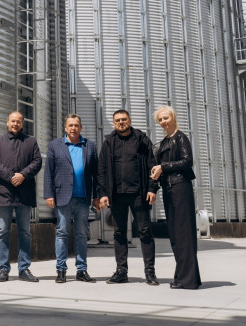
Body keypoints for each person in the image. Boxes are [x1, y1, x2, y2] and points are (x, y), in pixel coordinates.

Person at [98, 109, 160, 285]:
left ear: (130, 121)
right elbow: (102, 170)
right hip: (116, 195)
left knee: (145, 232)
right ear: (114, 123)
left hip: (139, 194)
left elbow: (152, 166)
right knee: (119, 233)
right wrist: (103, 193)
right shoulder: (109, 142)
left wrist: (152, 188)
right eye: (117, 120)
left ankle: (150, 272)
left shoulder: (142, 140)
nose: (121, 122)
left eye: (124, 119)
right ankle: (121, 272)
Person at [150, 105, 202, 289]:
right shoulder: (163, 142)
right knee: (175, 234)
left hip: (181, 188)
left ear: (173, 117)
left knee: (184, 233)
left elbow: (188, 161)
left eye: (166, 118)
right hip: (168, 189)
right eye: (160, 120)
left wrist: (163, 167)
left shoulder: (181, 137)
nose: (163, 122)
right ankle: (184, 276)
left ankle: (187, 279)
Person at [0, 111, 43, 282]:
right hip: (4, 192)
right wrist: (10, 176)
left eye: (18, 121)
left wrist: (23, 175)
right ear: (7, 122)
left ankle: (24, 269)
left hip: (24, 193)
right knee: (3, 231)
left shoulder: (31, 141)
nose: (15, 124)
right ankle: (4, 269)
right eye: (13, 121)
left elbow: (37, 162)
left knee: (25, 232)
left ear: (22, 123)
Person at [44, 114, 98, 283]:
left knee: (82, 234)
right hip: (63, 197)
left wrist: (96, 196)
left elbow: (96, 174)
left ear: (80, 127)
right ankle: (61, 270)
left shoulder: (90, 146)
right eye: (70, 125)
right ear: (65, 128)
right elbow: (48, 172)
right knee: (62, 233)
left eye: (76, 125)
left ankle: (81, 270)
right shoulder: (55, 145)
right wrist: (48, 194)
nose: (73, 128)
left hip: (83, 198)